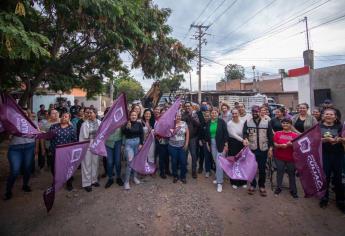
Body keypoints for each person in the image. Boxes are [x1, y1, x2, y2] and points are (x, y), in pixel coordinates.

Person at [4, 108, 38, 200]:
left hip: (29, 147)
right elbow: (7, 137)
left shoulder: (33, 122)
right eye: (22, 113)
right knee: (14, 171)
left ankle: (25, 185)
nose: (24, 114)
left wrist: (36, 148)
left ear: (29, 114)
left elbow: (36, 135)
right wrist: (10, 132)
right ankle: (8, 191)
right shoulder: (12, 122)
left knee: (27, 169)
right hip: (15, 149)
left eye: (26, 113)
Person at [243, 105, 273, 197]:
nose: (255, 113)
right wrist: (245, 139)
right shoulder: (248, 122)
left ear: (260, 112)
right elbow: (244, 133)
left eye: (256, 111)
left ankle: (262, 185)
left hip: (263, 149)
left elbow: (270, 136)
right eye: (253, 112)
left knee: (262, 168)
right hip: (252, 149)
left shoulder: (266, 122)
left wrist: (271, 148)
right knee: (252, 168)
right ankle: (252, 185)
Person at [319, 109, 345, 213]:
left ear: (335, 116)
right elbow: (313, 140)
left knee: (339, 178)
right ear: (323, 116)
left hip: (339, 155)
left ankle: (340, 200)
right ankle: (324, 198)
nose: (329, 115)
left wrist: (340, 139)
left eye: (331, 114)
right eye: (327, 114)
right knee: (325, 177)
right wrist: (324, 140)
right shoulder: (318, 127)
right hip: (324, 155)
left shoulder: (341, 126)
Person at [49, 112, 77, 191]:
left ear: (69, 119)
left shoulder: (71, 128)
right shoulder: (53, 127)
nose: (63, 118)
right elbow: (48, 138)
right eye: (62, 116)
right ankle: (56, 182)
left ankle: (69, 183)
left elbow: (74, 140)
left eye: (66, 117)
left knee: (67, 168)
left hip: (67, 152)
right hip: (55, 151)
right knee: (54, 168)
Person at [273, 118, 299, 198]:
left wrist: (292, 145)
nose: (285, 125)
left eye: (287, 123)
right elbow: (274, 143)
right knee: (279, 173)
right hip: (279, 157)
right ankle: (279, 188)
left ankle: (293, 190)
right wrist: (279, 145)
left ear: (291, 124)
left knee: (291, 174)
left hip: (291, 158)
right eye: (283, 123)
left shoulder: (295, 135)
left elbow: (298, 147)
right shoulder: (277, 133)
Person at [205, 108, 229, 193]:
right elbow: (206, 134)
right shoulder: (208, 122)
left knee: (219, 163)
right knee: (216, 161)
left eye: (215, 113)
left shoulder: (222, 122)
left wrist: (226, 144)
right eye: (212, 113)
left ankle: (219, 182)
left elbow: (226, 133)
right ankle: (219, 176)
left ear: (217, 113)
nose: (213, 114)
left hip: (221, 143)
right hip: (212, 143)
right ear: (210, 114)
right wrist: (208, 143)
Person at [79, 108, 101, 192]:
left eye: (91, 113)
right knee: (86, 164)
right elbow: (83, 137)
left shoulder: (99, 122)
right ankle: (86, 183)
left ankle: (94, 180)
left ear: (95, 114)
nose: (89, 114)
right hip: (86, 145)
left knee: (95, 163)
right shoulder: (84, 124)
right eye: (88, 113)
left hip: (96, 145)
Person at [122, 110, 144, 190]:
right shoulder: (126, 123)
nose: (133, 116)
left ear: (137, 116)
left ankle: (134, 177)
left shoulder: (139, 124)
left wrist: (141, 144)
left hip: (137, 144)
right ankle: (126, 182)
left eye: (135, 115)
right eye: (132, 115)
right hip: (129, 144)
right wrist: (127, 127)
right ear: (129, 116)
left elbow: (141, 134)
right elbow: (124, 132)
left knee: (136, 162)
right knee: (130, 163)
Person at [227, 108, 247, 189]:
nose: (234, 115)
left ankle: (243, 181)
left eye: (236, 113)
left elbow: (244, 132)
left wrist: (245, 140)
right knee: (234, 162)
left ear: (239, 113)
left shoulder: (242, 122)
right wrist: (243, 140)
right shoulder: (229, 123)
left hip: (241, 144)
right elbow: (233, 134)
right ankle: (234, 181)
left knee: (242, 162)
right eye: (233, 113)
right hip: (233, 143)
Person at [168, 112, 189, 184]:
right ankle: (175, 176)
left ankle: (183, 177)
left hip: (182, 146)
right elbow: (167, 133)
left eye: (179, 116)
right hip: (172, 146)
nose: (178, 117)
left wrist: (186, 143)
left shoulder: (184, 123)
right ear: (174, 117)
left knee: (183, 162)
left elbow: (187, 133)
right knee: (174, 161)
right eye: (177, 116)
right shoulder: (171, 124)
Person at [182, 102, 200, 178]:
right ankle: (184, 169)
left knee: (193, 155)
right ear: (184, 107)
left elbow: (198, 124)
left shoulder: (194, 114)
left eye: (188, 106)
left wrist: (191, 117)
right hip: (184, 138)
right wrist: (186, 117)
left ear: (191, 107)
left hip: (192, 138)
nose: (187, 107)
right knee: (184, 154)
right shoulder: (182, 115)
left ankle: (193, 171)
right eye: (186, 106)